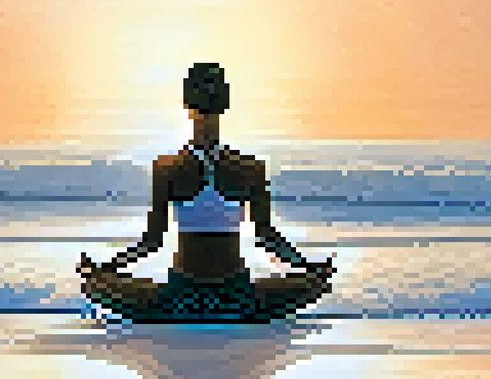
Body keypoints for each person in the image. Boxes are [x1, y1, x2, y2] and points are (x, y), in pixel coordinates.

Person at [78, 63, 335, 322]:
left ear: (186, 105)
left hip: (181, 298)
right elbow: (268, 239)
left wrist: (103, 271)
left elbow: (151, 244)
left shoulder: (167, 168)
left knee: (101, 286)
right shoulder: (250, 168)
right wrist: (310, 270)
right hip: (236, 297)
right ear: (225, 104)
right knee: (311, 285)